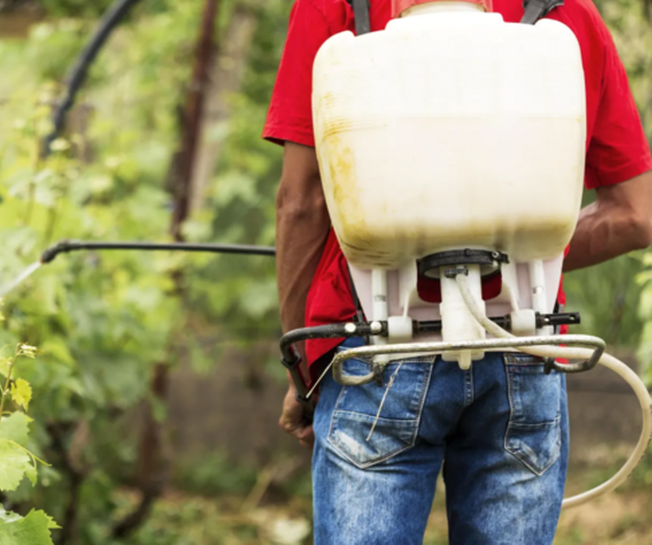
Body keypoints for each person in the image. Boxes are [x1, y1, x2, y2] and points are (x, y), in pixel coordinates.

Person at [263, 0, 652, 543]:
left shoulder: (338, 7)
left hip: (376, 347)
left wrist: (301, 366)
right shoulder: (566, 12)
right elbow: (636, 215)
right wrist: (510, 249)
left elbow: (301, 205)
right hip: (525, 345)